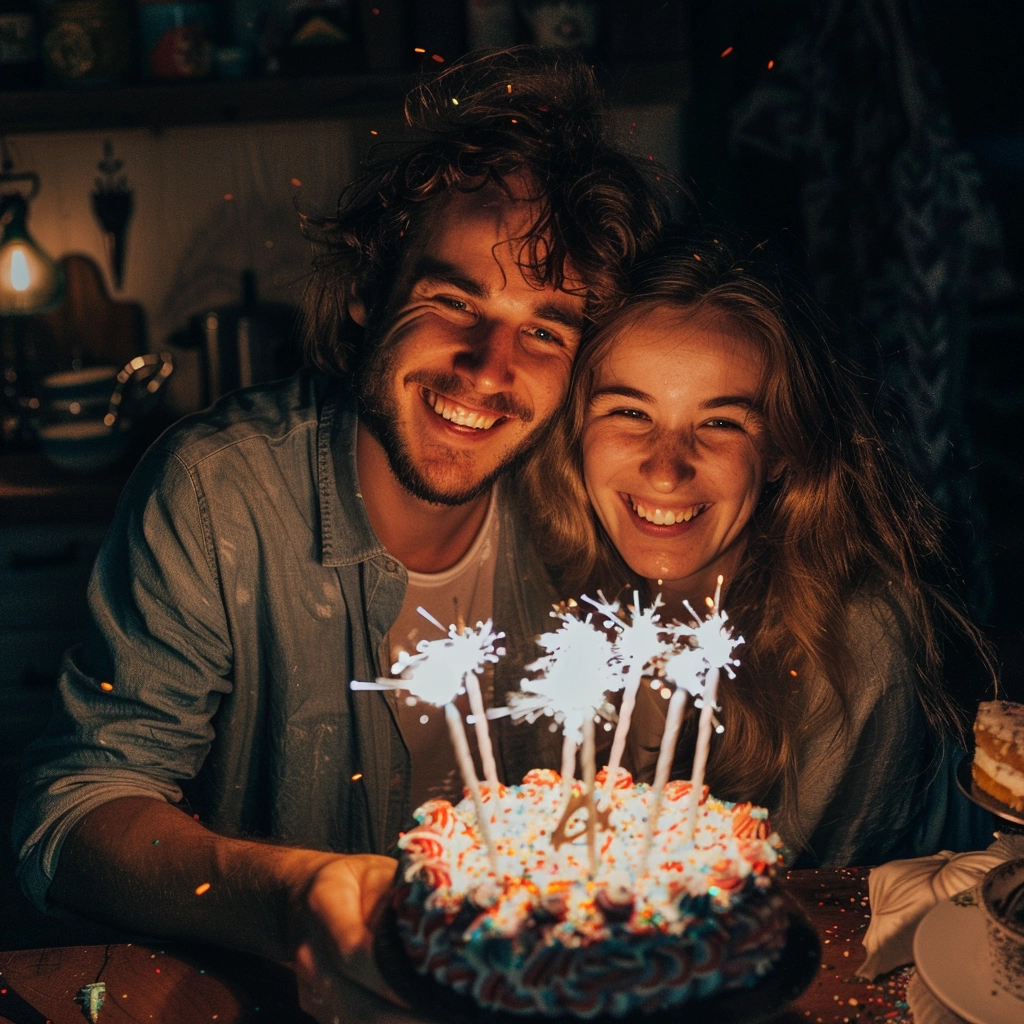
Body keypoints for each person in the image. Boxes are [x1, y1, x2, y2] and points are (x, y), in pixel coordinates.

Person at [12, 47, 669, 1003]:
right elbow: (70, 820)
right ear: (369, 292)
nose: (489, 368)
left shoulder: (600, 506)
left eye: (545, 330)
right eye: (453, 301)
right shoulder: (214, 493)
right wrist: (293, 898)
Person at [523, 232, 996, 868]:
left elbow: (784, 920)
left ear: (778, 452)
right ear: (575, 428)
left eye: (720, 423)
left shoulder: (851, 640)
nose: (665, 471)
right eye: (629, 413)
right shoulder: (551, 585)